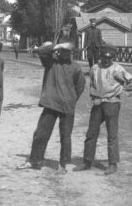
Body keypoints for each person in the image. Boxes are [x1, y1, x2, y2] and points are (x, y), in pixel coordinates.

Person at [17, 40, 85, 174]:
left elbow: (80, 86)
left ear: (71, 53)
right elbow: (42, 51)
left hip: (67, 106)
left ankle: (63, 164)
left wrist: (71, 99)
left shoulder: (76, 67)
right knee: (41, 134)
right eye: (63, 50)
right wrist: (58, 45)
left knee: (65, 136)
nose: (65, 53)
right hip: (51, 104)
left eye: (68, 51)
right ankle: (34, 160)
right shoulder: (50, 62)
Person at [74, 44, 132, 175]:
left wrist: (121, 91)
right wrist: (93, 96)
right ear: (100, 56)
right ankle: (87, 161)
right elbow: (92, 83)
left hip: (112, 103)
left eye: (110, 58)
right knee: (91, 133)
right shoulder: (94, 68)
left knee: (112, 134)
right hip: (98, 103)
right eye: (104, 57)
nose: (107, 60)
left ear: (113, 58)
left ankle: (112, 163)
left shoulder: (117, 69)